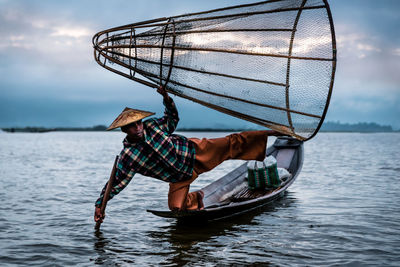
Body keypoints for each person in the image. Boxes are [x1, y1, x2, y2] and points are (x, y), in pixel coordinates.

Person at [94, 86, 283, 223]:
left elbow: (172, 119)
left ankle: (270, 133)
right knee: (177, 208)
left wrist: (167, 98)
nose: (137, 128)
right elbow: (117, 182)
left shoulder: (153, 126)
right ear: (124, 130)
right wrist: (100, 204)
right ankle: (198, 198)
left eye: (138, 123)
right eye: (132, 126)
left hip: (193, 152)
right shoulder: (128, 156)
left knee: (230, 144)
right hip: (179, 176)